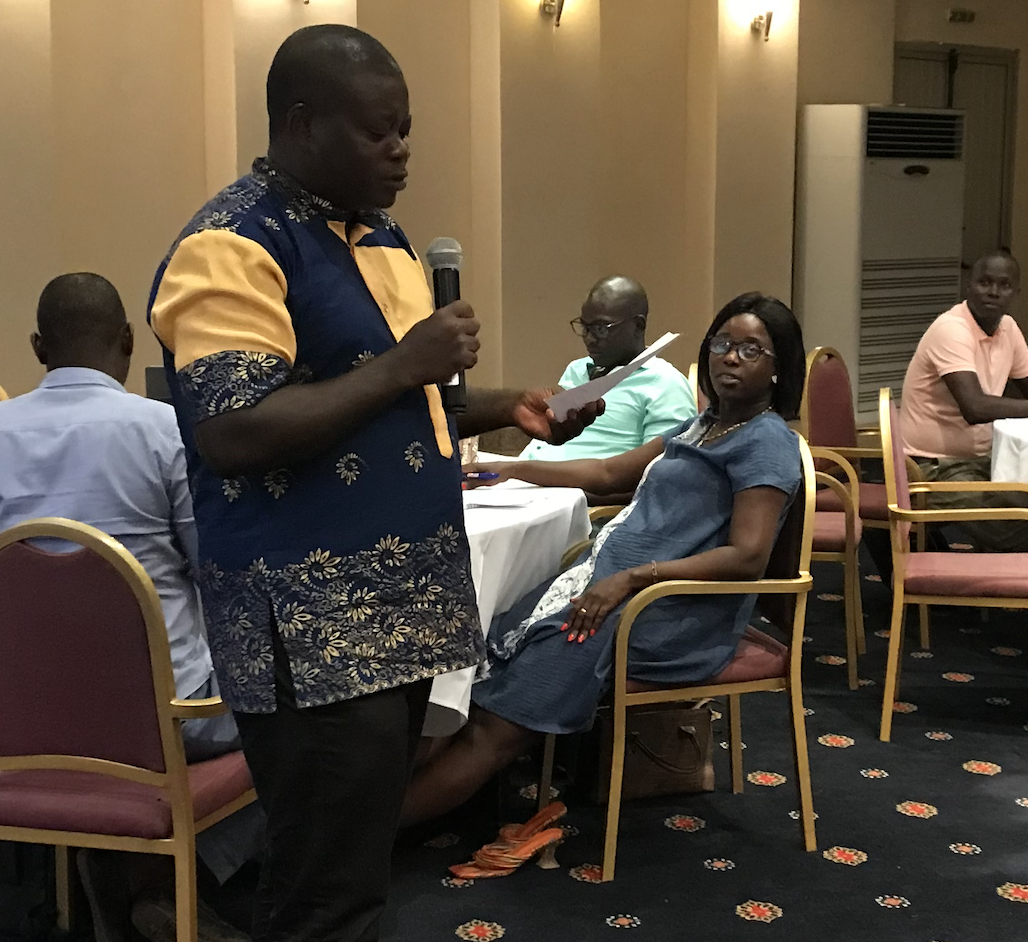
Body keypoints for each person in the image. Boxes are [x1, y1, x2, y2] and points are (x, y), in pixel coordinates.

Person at [145, 25, 594, 942]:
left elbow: (388, 400)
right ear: (302, 124)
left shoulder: (380, 235)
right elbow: (233, 430)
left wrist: (511, 405)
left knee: (353, 868)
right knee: (325, 893)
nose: (400, 151)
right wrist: (405, 365)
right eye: (378, 131)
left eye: (406, 130)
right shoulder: (232, 243)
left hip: (401, 608)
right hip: (311, 623)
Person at [402, 294, 806, 857]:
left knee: (493, 726)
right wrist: (504, 467)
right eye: (721, 344)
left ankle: (357, 843)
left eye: (750, 350)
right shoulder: (704, 426)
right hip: (609, 589)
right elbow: (610, 471)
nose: (730, 358)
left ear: (779, 367)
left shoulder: (767, 443)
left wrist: (633, 579)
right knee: (475, 671)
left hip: (664, 611)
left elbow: (747, 556)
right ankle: (395, 814)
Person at [0, 273, 254, 942]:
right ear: (129, 341)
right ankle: (167, 879)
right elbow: (212, 561)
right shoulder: (165, 429)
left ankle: (108, 868)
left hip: (21, 719)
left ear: (37, 347)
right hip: (166, 719)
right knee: (310, 719)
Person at [895, 250, 1028, 553]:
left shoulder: (1008, 327)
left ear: (1016, 292)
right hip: (929, 468)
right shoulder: (951, 329)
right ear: (968, 285)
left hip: (983, 460)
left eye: (1004, 285)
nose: (993, 292)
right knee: (1023, 525)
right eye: (984, 282)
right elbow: (975, 408)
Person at [517, 276, 695, 461]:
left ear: (638, 326)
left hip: (562, 479)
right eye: (585, 327)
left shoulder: (665, 384)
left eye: (601, 329)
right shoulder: (577, 369)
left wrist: (532, 471)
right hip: (523, 472)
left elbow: (658, 470)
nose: (589, 339)